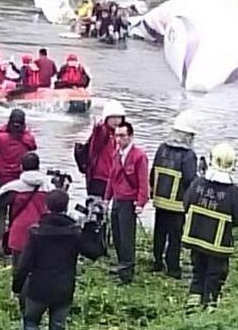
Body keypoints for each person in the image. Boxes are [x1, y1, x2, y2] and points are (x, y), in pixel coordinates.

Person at [12, 188, 101, 330]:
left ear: (46, 207)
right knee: (57, 329)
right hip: (64, 289)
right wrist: (93, 228)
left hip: (39, 288)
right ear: (66, 207)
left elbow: (24, 264)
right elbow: (94, 253)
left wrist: (16, 287)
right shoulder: (75, 233)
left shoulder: (37, 232)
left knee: (30, 321)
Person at [183, 143, 238, 310]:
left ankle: (193, 303)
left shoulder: (197, 184)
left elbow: (186, 204)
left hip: (195, 238)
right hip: (218, 246)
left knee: (198, 271)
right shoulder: (233, 192)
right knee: (215, 275)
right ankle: (210, 305)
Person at [150, 111, 199, 279]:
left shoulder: (161, 149)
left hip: (159, 201)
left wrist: (152, 192)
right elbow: (190, 180)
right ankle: (173, 268)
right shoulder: (188, 156)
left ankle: (157, 262)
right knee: (175, 237)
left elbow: (152, 172)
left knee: (159, 233)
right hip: (177, 204)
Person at [105, 120, 149, 284]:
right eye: (116, 136)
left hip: (129, 201)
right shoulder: (117, 154)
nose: (118, 139)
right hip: (117, 199)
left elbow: (143, 182)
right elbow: (112, 177)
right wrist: (106, 198)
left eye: (122, 136)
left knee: (126, 237)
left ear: (130, 136)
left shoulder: (139, 156)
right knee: (116, 234)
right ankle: (121, 264)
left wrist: (140, 203)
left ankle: (127, 271)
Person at [0, 151, 49, 271]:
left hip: (19, 232)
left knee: (18, 270)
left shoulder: (14, 187)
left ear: (21, 167)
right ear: (38, 166)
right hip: (42, 231)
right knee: (40, 267)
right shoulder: (48, 186)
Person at [0, 108, 37, 253]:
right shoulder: (27, 140)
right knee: (15, 214)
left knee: (0, 212)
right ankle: (11, 245)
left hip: (2, 179)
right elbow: (33, 145)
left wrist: (7, 126)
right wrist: (23, 131)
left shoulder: (2, 138)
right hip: (19, 182)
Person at [83, 100, 125, 198]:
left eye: (119, 117)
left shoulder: (118, 135)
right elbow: (98, 134)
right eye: (113, 117)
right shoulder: (102, 132)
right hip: (99, 179)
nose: (116, 121)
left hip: (113, 179)